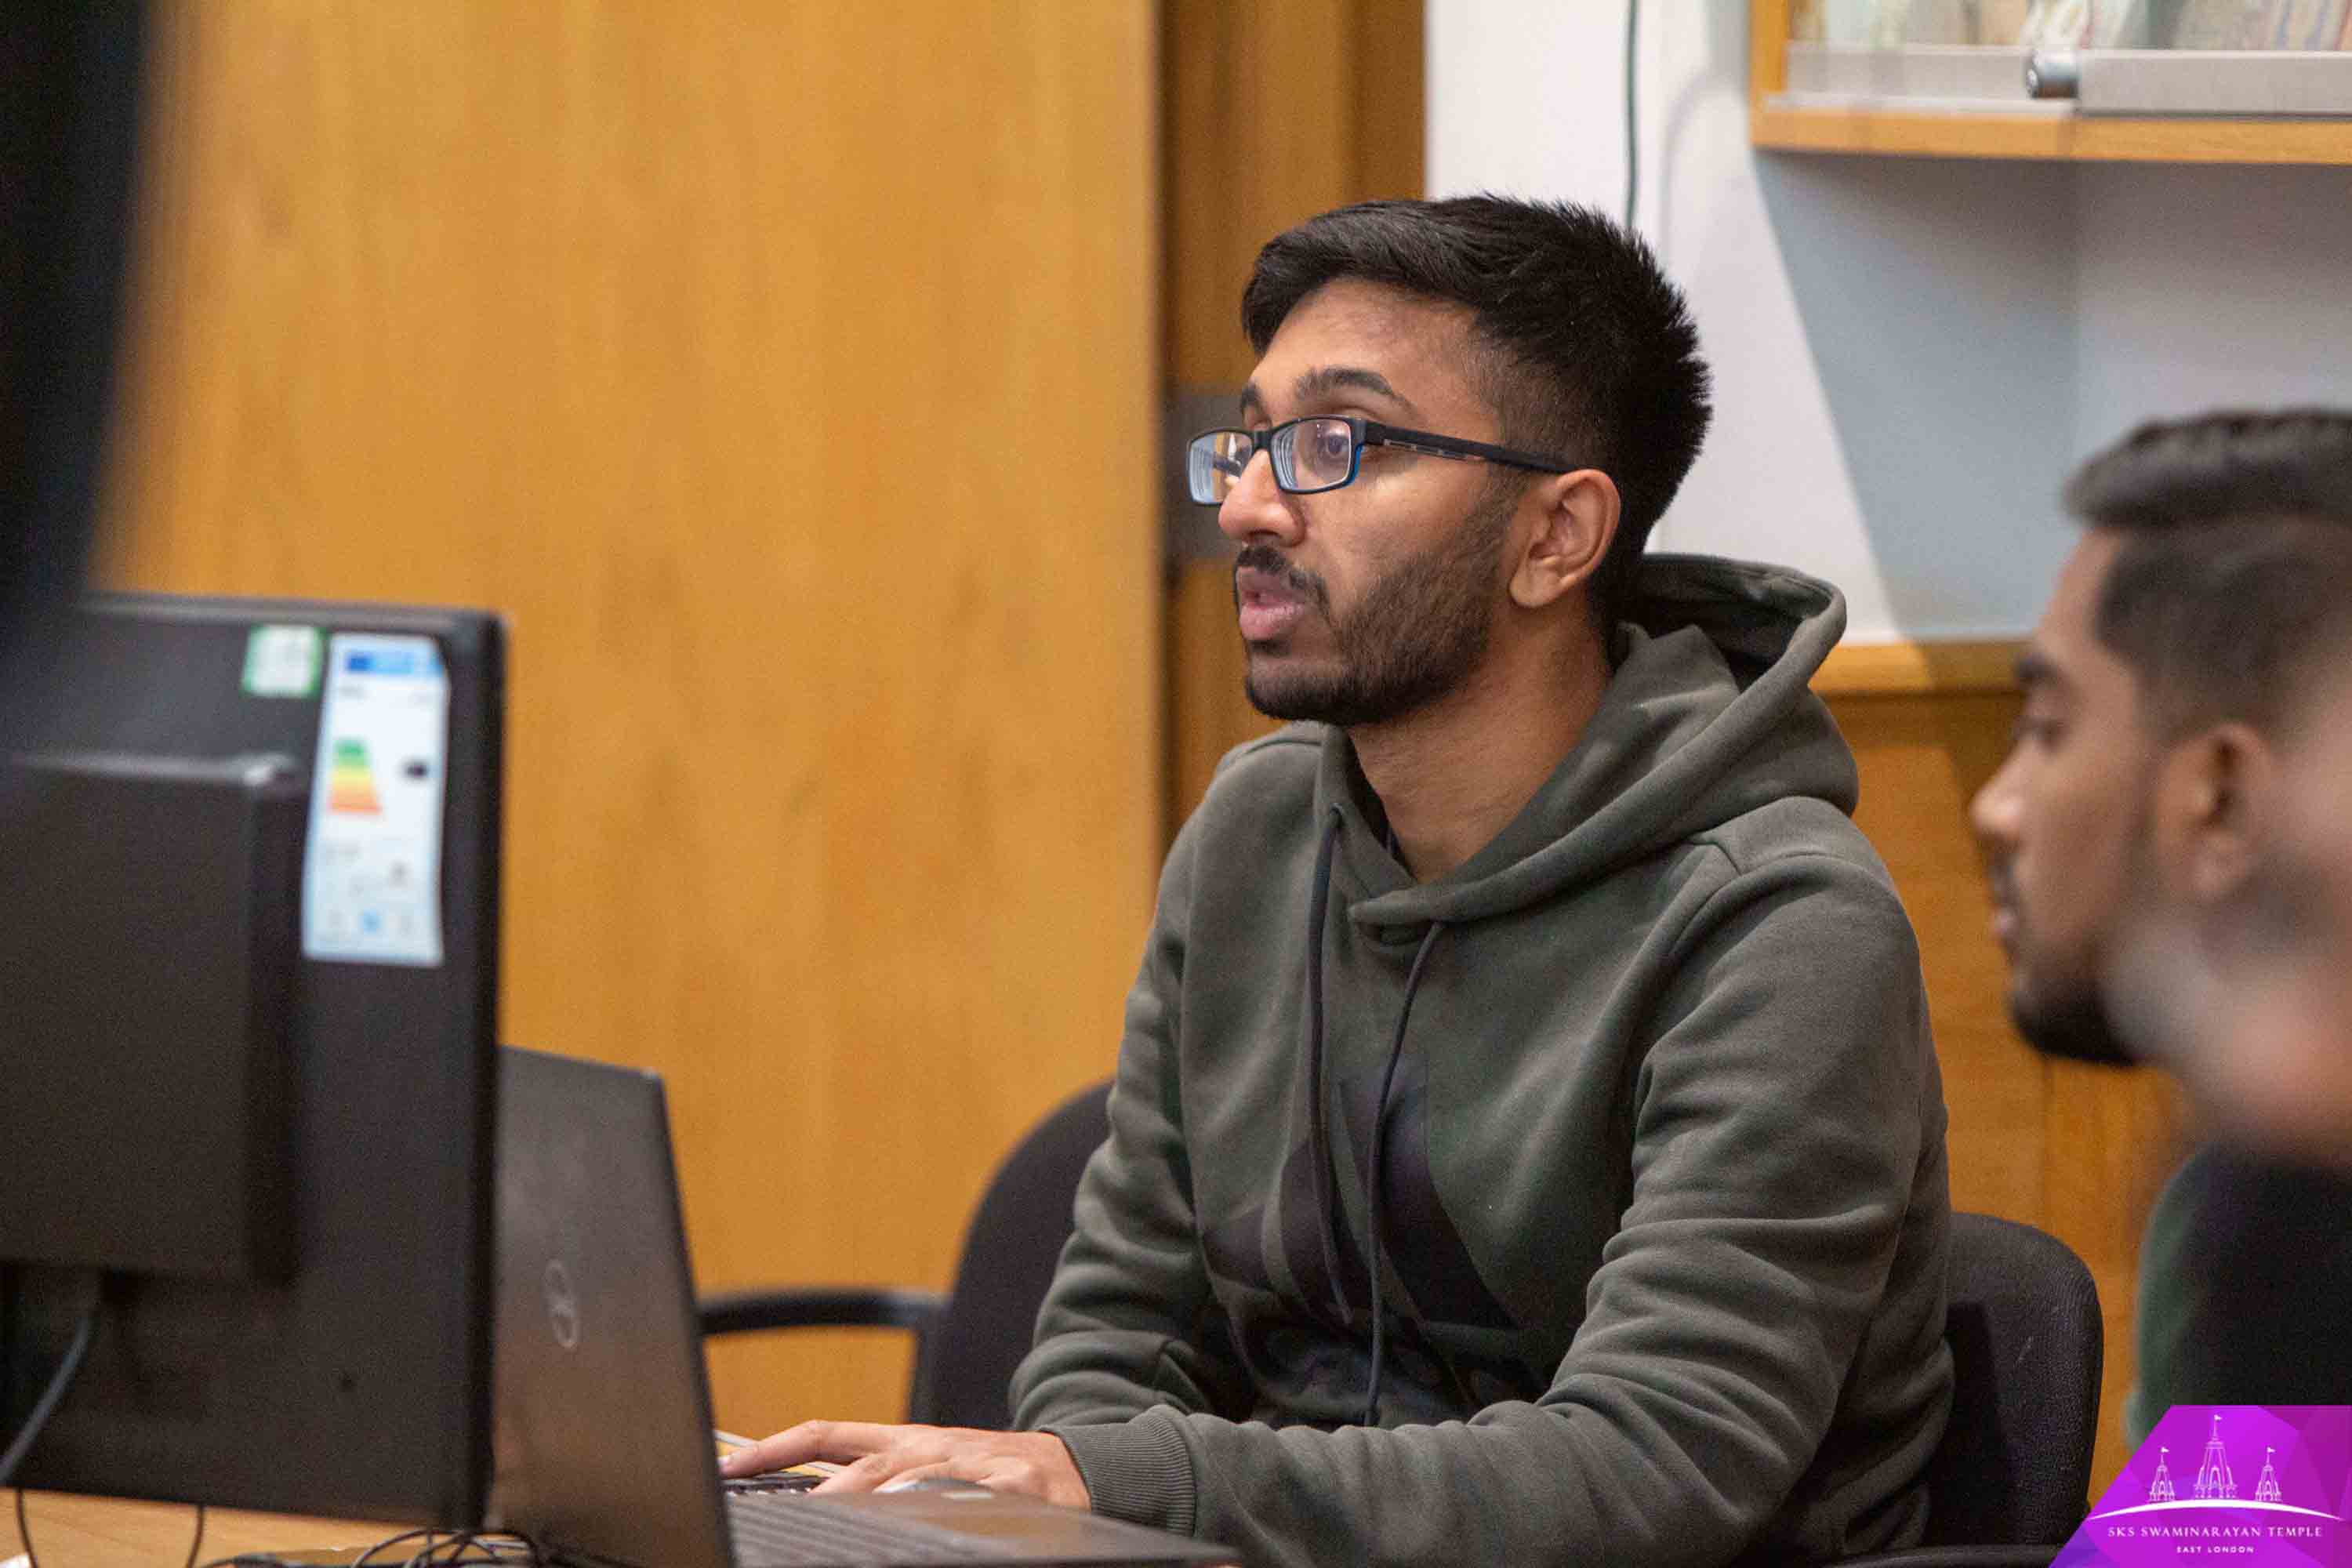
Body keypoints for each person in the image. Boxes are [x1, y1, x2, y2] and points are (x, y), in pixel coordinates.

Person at [727, 196, 1954, 1566]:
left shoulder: (1778, 925)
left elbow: (1651, 1470)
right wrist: (1088, 1498)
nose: (1250, 501)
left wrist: (1136, 1486)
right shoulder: (1257, 836)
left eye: (1336, 445)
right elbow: (1110, 1343)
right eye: (1250, 441)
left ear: (1556, 536)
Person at [1967, 407, 2352, 1449]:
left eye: (2050, 731)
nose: (1998, 807)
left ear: (2222, 800)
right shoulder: (2238, 1196)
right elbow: (2223, 1539)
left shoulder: (2290, 1210)